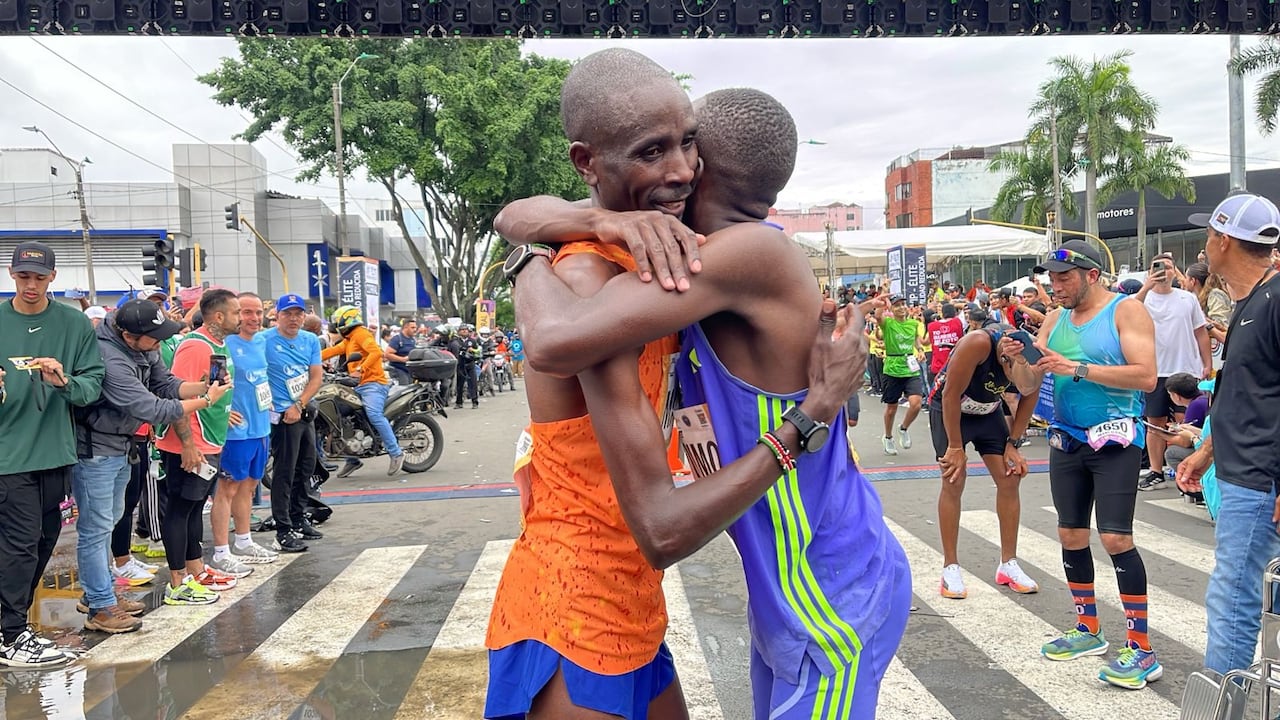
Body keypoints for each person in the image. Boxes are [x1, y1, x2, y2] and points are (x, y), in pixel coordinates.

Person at [495, 76, 907, 719]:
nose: (679, 170)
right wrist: (552, 240)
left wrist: (814, 413)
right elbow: (518, 216)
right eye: (656, 151)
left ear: (708, 166)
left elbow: (551, 337)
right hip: (731, 598)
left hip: (829, 596)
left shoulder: (741, 254)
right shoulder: (632, 265)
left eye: (688, 147)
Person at [1025, 239, 1161, 690]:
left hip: (1116, 439)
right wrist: (1014, 358)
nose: (1055, 286)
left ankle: (1141, 648)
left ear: (1092, 276)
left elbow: (1146, 376)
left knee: (1117, 537)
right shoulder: (1055, 317)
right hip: (1065, 439)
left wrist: (1076, 368)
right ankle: (1088, 629)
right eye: (1052, 278)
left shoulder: (1125, 311)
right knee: (1070, 533)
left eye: (1064, 278)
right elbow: (1031, 377)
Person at [72, 299, 227, 633]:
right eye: (154, 337)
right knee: (96, 528)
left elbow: (166, 384)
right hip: (95, 448)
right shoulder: (108, 356)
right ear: (129, 335)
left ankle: (98, 593)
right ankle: (100, 606)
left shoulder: (144, 347)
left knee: (110, 521)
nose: (159, 342)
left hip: (120, 443)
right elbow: (150, 407)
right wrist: (204, 401)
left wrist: (202, 386)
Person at [1175, 193, 1280, 680]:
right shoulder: (1249, 301)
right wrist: (1206, 452)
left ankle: (1223, 701)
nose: (1203, 247)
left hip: (1261, 482)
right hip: (1243, 473)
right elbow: (1246, 396)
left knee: (1234, 597)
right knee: (1255, 596)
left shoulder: (1275, 299)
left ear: (1221, 241)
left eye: (1207, 236)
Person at [0, 242, 105, 666]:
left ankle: (11, 624)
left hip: (56, 453)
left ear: (52, 278)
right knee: (19, 546)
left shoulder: (73, 324)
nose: (31, 285)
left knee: (43, 543)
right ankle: (11, 634)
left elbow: (92, 386)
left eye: (39, 277)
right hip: (8, 456)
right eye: (23, 276)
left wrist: (63, 381)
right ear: (11, 274)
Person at [928, 322, 1041, 600]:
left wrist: (1013, 444)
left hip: (988, 411)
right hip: (951, 409)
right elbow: (950, 394)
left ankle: (1008, 564)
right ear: (1004, 357)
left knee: (1010, 477)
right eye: (1011, 378)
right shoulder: (977, 343)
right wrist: (955, 446)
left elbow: (1029, 396)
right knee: (954, 478)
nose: (1013, 385)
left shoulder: (1033, 357)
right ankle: (950, 567)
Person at [152, 288, 244, 606]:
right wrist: (189, 444)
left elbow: (211, 390)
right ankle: (177, 581)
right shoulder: (194, 346)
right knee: (180, 509)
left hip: (210, 438)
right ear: (218, 316)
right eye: (236, 313)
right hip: (189, 444)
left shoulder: (219, 345)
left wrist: (223, 410)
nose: (241, 318)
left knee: (193, 509)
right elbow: (175, 396)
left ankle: (195, 569)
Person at [211, 292, 279, 574]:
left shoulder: (262, 341)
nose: (253, 318)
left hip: (261, 426)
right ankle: (220, 551)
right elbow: (210, 384)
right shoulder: (224, 345)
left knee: (251, 485)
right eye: (246, 312)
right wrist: (220, 415)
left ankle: (243, 540)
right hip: (236, 431)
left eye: (257, 313)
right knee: (227, 489)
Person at [1134, 254, 1212, 490]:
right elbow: (1124, 313)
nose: (1163, 272)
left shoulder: (1187, 299)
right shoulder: (1142, 299)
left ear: (1175, 271)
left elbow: (1200, 332)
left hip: (1185, 367)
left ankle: (1190, 470)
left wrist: (1206, 363)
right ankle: (1156, 471)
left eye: (1168, 267)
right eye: (1157, 267)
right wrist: (1146, 286)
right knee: (1155, 422)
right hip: (1154, 370)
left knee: (1185, 421)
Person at [264, 293, 325, 553]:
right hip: (280, 415)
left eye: (298, 313)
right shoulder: (263, 340)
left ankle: (300, 517)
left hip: (302, 411)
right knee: (284, 472)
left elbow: (315, 377)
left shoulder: (310, 340)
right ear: (277, 316)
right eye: (287, 313)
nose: (293, 318)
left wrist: (299, 404)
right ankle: (283, 527)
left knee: (306, 467)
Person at [323, 306, 404, 476]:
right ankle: (352, 459)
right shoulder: (350, 338)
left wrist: (361, 368)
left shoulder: (361, 333)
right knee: (341, 416)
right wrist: (310, 359)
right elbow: (333, 351)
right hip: (357, 385)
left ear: (347, 320)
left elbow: (376, 352)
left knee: (374, 414)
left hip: (373, 384)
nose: (337, 325)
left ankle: (396, 453)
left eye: (338, 322)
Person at [876, 295, 924, 455]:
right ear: (892, 309)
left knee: (916, 403)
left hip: (910, 367)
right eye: (897, 305)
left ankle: (903, 428)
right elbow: (878, 316)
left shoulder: (913, 324)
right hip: (892, 368)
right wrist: (883, 296)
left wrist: (921, 350)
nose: (901, 308)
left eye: (903, 304)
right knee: (892, 408)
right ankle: (888, 437)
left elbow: (916, 341)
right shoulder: (888, 324)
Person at [448, 324, 480, 409]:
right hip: (460, 365)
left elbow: (478, 351)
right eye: (462, 330)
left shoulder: (472, 341)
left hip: (470, 364)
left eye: (466, 329)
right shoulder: (455, 341)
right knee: (460, 385)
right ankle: (459, 402)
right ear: (459, 332)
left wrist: (472, 351)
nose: (465, 331)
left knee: (473, 383)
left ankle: (475, 402)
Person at [384, 318, 418, 385]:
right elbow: (387, 354)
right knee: (404, 390)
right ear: (405, 327)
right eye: (412, 327)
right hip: (398, 370)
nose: (415, 330)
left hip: (409, 370)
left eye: (415, 328)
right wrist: (402, 359)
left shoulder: (412, 340)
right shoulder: (397, 339)